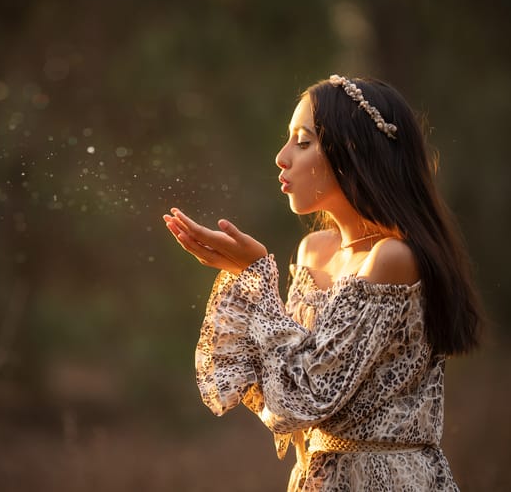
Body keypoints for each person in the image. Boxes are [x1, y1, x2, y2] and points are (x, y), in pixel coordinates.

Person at [163, 74, 482, 491]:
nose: (282, 157)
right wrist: (245, 276)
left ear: (352, 151)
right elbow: (282, 389)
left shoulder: (392, 258)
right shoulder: (313, 250)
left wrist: (256, 276)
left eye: (303, 141)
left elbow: (307, 395)